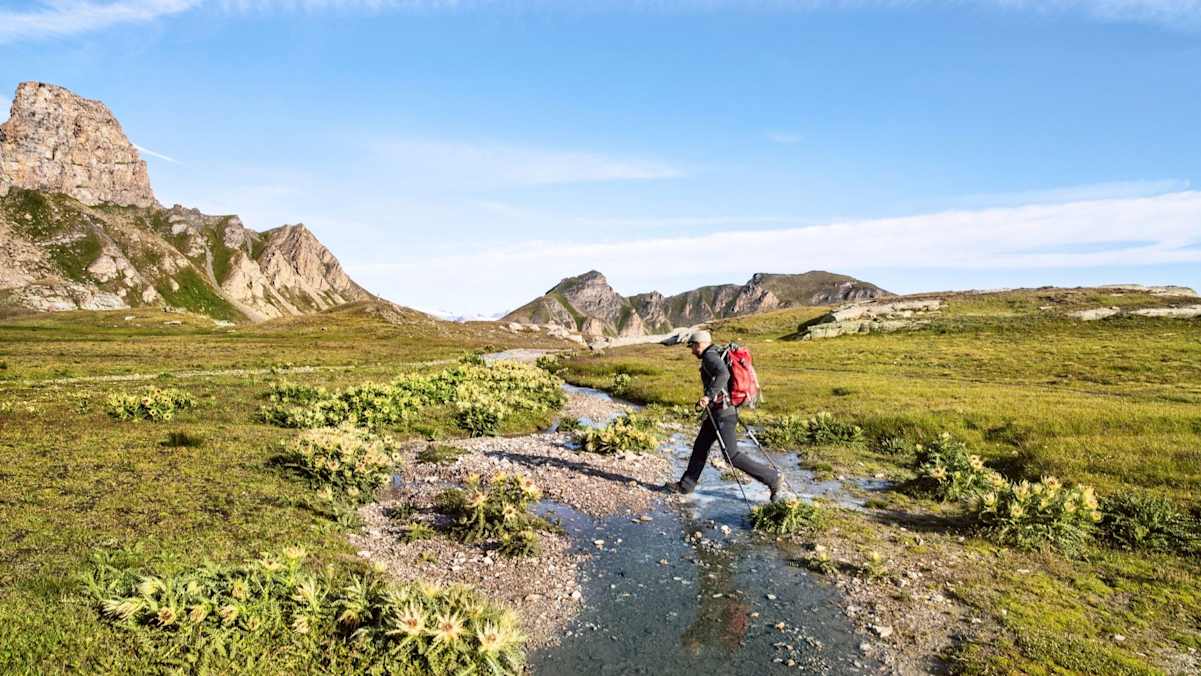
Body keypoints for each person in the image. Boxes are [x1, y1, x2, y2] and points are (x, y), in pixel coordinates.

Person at [665, 330, 782, 500]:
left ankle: (773, 478)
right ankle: (685, 486)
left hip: (723, 414)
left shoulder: (710, 357)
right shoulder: (715, 353)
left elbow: (723, 374)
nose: (692, 351)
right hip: (718, 411)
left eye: (693, 347)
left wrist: (707, 396)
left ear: (700, 344)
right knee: (700, 447)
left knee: (731, 455)